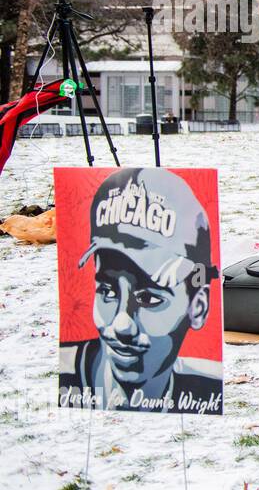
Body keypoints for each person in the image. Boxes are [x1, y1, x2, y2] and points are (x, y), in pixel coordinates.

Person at [59, 168, 222, 414]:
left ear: (198, 307)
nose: (122, 324)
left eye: (149, 298)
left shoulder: (207, 389)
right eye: (108, 291)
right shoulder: (68, 375)